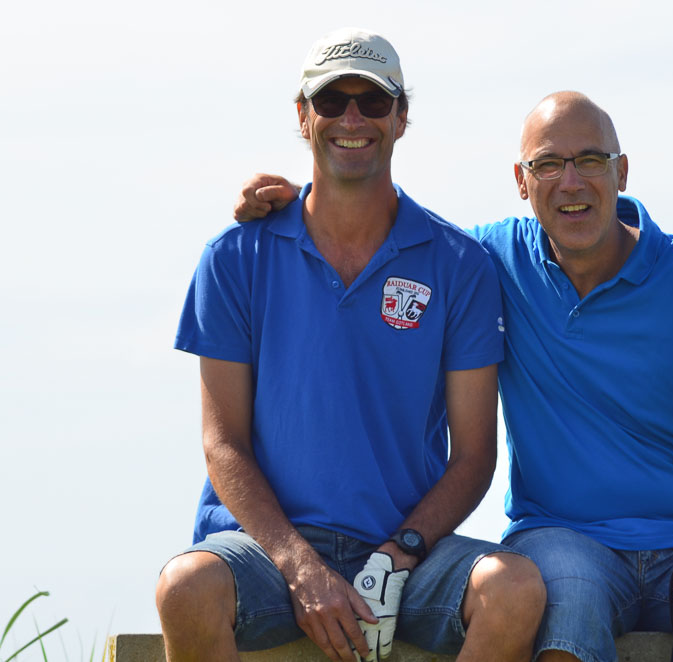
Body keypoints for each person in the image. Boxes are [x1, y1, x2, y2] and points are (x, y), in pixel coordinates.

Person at [235, 91, 673, 662]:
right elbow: (386, 242)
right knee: (570, 598)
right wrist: (308, 204)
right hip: (562, 538)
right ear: (521, 181)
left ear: (621, 172)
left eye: (590, 160)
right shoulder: (485, 262)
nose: (571, 182)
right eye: (548, 164)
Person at [155, 27, 545, 662]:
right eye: (332, 102)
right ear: (303, 116)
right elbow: (222, 443)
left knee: (516, 589)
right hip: (266, 550)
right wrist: (299, 567)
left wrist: (399, 555)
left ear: (401, 117)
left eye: (374, 101)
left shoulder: (459, 264)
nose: (353, 119)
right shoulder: (234, 256)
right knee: (185, 588)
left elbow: (474, 457)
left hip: (407, 556)